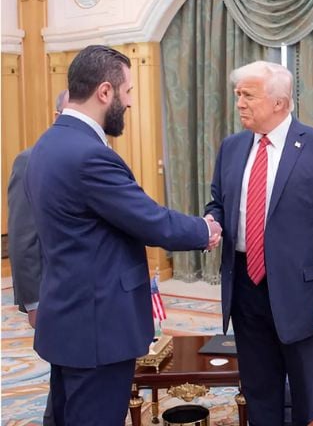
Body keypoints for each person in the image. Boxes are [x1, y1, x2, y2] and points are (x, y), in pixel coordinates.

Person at [24, 45, 219, 425]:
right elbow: (150, 220)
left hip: (67, 318)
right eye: (127, 91)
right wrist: (205, 230)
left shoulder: (47, 144)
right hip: (99, 327)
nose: (129, 102)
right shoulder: (89, 154)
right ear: (105, 91)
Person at [204, 61, 313, 425]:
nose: (239, 103)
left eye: (248, 95)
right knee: (259, 393)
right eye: (237, 94)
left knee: (307, 398)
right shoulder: (231, 147)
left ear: (279, 102)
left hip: (303, 295)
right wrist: (211, 221)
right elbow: (218, 202)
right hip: (245, 287)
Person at [7, 89, 68, 426]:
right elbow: (22, 237)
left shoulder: (96, 156)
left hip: (82, 296)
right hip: (52, 294)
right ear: (57, 116)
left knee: (68, 380)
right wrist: (33, 302)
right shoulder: (30, 160)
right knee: (62, 378)